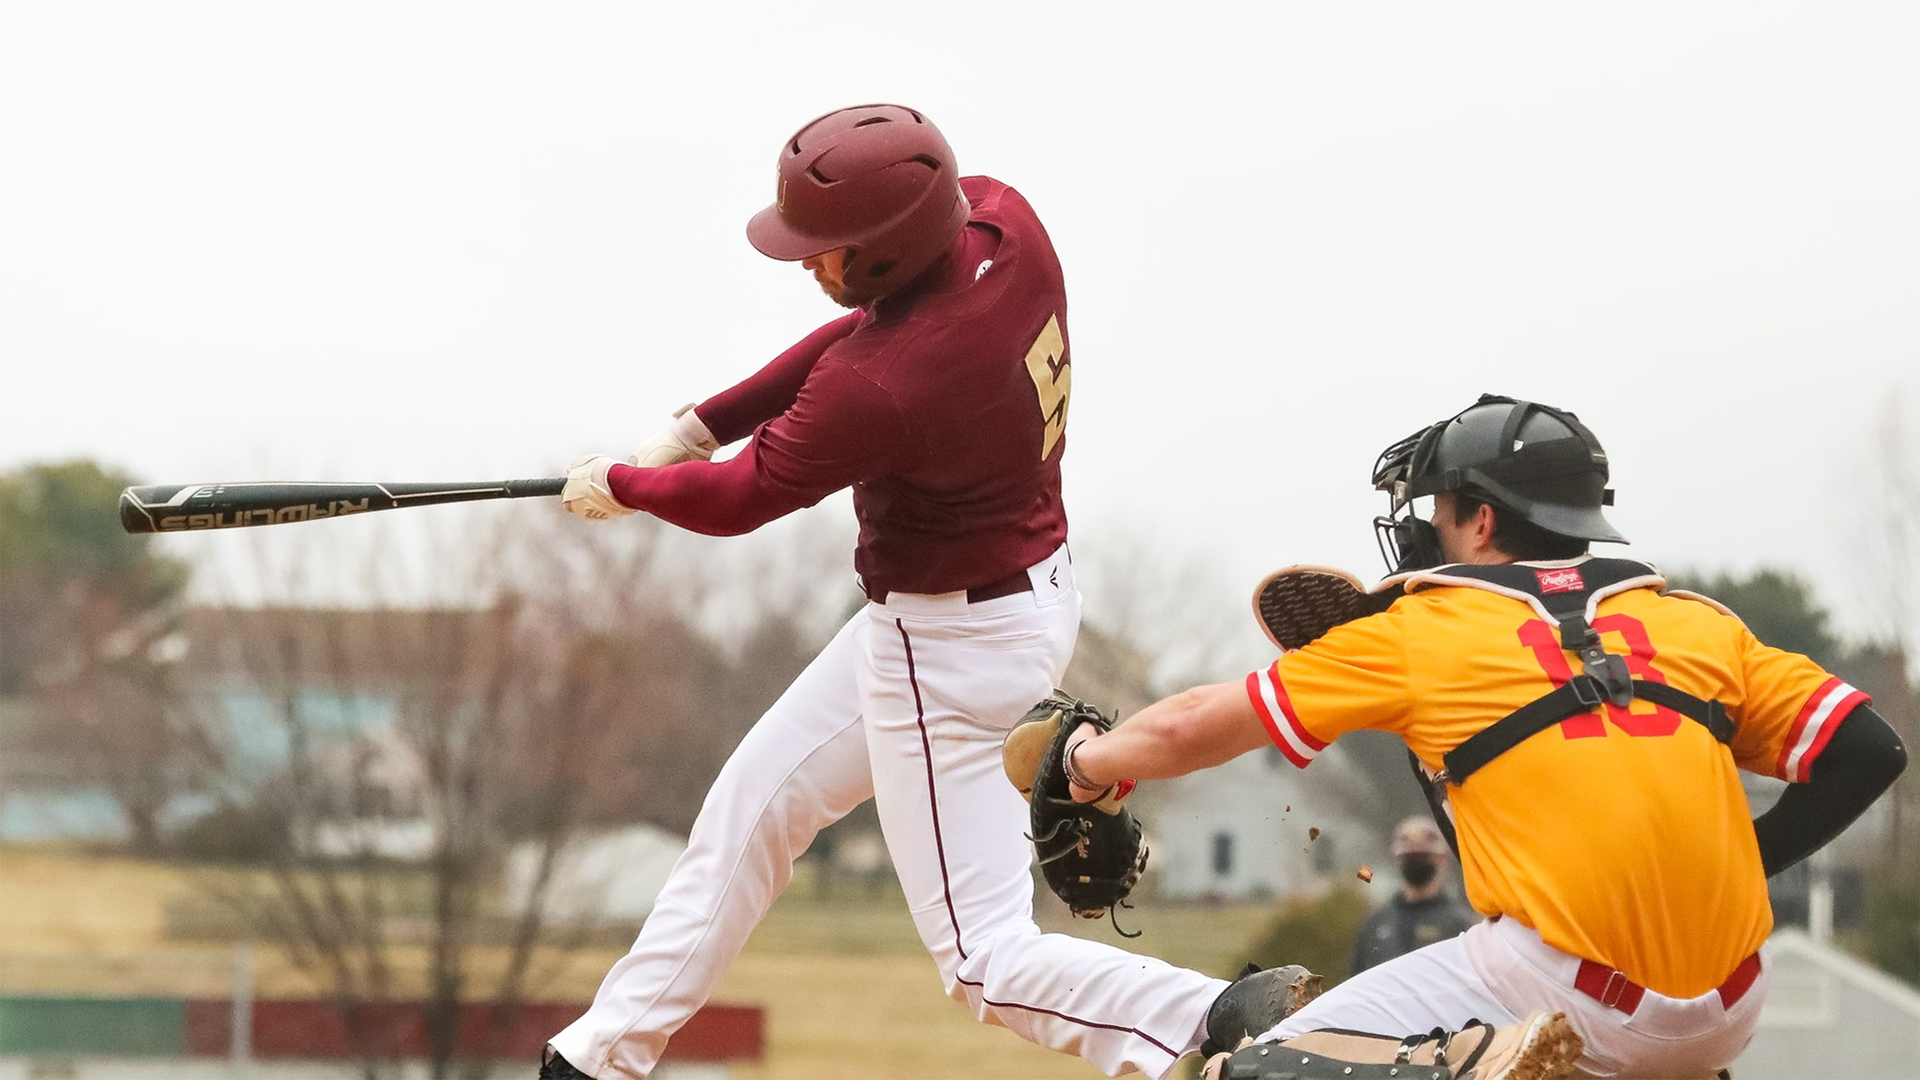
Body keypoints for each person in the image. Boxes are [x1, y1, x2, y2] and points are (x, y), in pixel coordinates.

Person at [540, 104, 1294, 1080]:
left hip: (942, 652)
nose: (806, 262)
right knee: (755, 807)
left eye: (826, 248)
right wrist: (700, 421)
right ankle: (601, 1058)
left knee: (982, 959)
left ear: (889, 251)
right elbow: (858, 339)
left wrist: (629, 486)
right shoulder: (1004, 223)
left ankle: (1219, 1028)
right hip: (1022, 594)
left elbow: (737, 499)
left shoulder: (884, 389)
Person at [1059, 395, 1908, 1080]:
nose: (1427, 525)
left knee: (1262, 1072)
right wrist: (1735, 864)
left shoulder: (1428, 628)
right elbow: (1871, 750)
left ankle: (1469, 1058)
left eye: (1439, 505)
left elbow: (1190, 726)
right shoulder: (1697, 625)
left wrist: (1084, 763)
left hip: (1571, 996)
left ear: (1484, 522)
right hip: (1731, 1008)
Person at [1349, 816, 1477, 977]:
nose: (1415, 863)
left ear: (1442, 859)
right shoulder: (1376, 923)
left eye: (1423, 857)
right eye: (1409, 857)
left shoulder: (1459, 924)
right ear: (1397, 860)